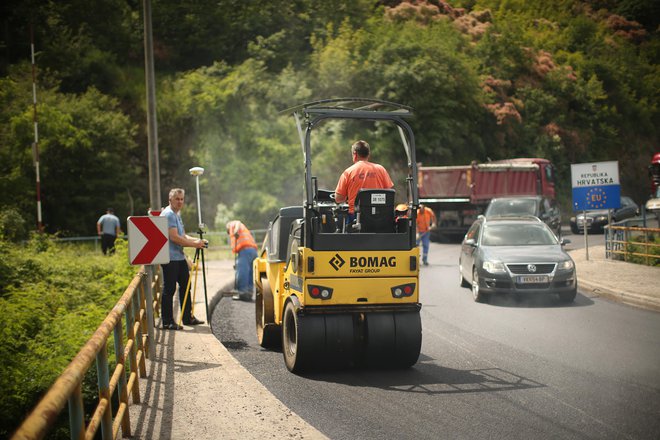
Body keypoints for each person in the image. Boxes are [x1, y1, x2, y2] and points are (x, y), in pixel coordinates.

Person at [160, 188, 206, 330]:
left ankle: (187, 317)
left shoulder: (176, 215)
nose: (180, 202)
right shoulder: (168, 215)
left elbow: (183, 236)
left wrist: (199, 241)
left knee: (186, 285)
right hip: (170, 258)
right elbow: (174, 238)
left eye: (181, 199)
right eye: (177, 199)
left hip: (178, 257)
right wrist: (194, 244)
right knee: (169, 289)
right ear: (170, 200)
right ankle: (167, 322)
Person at [334, 140, 394, 222]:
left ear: (355, 154)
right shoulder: (381, 169)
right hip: (379, 216)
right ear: (368, 154)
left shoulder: (348, 172)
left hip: (356, 218)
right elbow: (389, 194)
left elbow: (338, 198)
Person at [226, 220, 258, 302]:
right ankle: (249, 293)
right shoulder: (244, 229)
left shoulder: (233, 224)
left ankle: (242, 292)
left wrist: (236, 231)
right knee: (250, 273)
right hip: (253, 251)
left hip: (245, 250)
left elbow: (238, 222)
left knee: (242, 272)